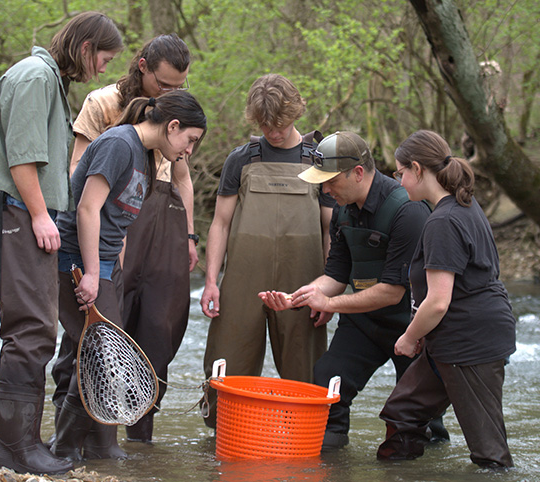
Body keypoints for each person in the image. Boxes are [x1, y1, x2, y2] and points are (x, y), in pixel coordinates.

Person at [0, 12, 122, 476]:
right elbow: (23, 157)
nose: (102, 68)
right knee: (30, 327)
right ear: (84, 45)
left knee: (36, 327)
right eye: (103, 56)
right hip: (13, 210)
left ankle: (20, 444)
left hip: (22, 210)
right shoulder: (37, 77)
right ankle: (14, 449)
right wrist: (41, 215)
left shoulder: (48, 79)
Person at [258, 131, 446, 451]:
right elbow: (336, 273)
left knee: (415, 415)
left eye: (330, 181)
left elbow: (392, 292)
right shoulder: (342, 211)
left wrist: (330, 301)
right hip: (363, 322)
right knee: (328, 380)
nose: (325, 190)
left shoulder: (408, 211)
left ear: (357, 173)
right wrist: (298, 298)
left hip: (411, 328)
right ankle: (329, 456)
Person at [50, 33, 194, 445]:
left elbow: (182, 176)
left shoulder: (175, 130)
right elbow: (83, 183)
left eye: (178, 88)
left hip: (143, 225)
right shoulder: (107, 112)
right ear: (143, 65)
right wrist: (95, 265)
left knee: (146, 328)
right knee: (91, 340)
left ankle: (124, 437)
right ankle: (75, 440)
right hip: (96, 228)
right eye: (164, 85)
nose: (170, 93)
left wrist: (188, 233)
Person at [200, 74, 334, 429]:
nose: (272, 132)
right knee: (227, 363)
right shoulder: (240, 159)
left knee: (304, 369)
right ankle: (222, 440)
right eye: (264, 125)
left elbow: (329, 229)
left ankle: (305, 440)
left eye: (279, 124)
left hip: (304, 278)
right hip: (243, 279)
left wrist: (327, 289)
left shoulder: (320, 161)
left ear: (295, 112)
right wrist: (211, 281)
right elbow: (220, 223)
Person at [376, 129, 515, 468]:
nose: (399, 180)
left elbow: (438, 301)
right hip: (453, 337)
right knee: (403, 412)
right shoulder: (462, 208)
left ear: (417, 169)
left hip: (469, 341)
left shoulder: (444, 220)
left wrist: (410, 336)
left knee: (489, 453)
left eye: (400, 173)